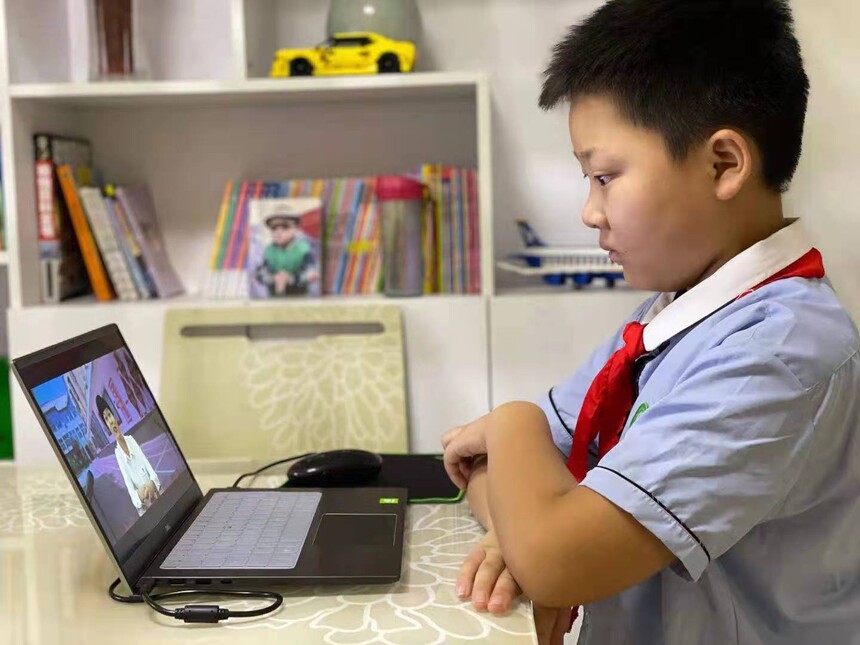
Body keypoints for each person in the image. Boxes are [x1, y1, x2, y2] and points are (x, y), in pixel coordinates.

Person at [441, 2, 860, 644]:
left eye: (605, 176)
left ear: (724, 164)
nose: (589, 211)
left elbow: (555, 556)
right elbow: (500, 476)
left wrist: (510, 421)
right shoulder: (670, 316)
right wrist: (515, 533)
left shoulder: (778, 353)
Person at [96, 394, 161, 516]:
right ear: (106, 426)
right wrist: (141, 496)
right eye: (106, 419)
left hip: (157, 495)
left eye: (110, 415)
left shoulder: (131, 439)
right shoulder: (118, 454)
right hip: (146, 506)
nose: (110, 421)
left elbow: (149, 468)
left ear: (114, 416)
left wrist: (152, 484)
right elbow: (131, 491)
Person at [256, 213, 319, 296]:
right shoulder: (269, 250)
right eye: (274, 228)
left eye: (285, 227)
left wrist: (290, 279)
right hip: (274, 299)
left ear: (296, 229)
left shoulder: (304, 249)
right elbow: (260, 273)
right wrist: (274, 278)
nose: (278, 232)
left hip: (299, 297)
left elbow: (311, 273)